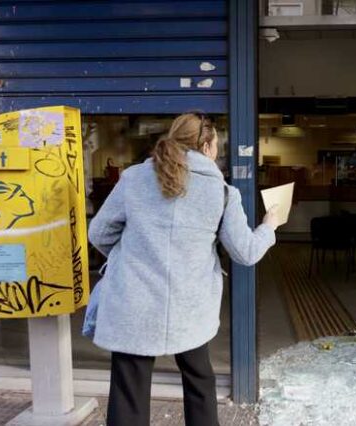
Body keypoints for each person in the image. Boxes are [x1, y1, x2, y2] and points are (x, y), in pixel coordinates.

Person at [87, 113, 279, 426]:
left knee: (129, 388)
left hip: (134, 303)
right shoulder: (222, 192)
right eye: (215, 143)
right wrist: (269, 226)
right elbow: (245, 252)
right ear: (206, 146)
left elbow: (99, 233)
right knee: (200, 380)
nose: (216, 150)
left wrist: (130, 257)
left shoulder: (134, 178)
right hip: (189, 306)